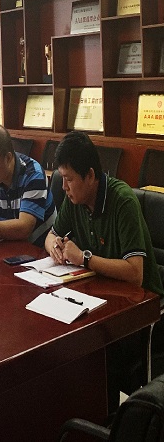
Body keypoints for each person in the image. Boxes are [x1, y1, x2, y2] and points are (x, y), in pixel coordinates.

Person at [44, 131, 164, 414]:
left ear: (90, 175)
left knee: (92, 356)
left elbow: (135, 272)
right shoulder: (74, 200)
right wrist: (55, 247)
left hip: (142, 308)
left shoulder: (123, 201)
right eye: (62, 178)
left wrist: (84, 258)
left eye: (69, 179)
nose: (64, 187)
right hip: (101, 299)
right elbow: (51, 235)